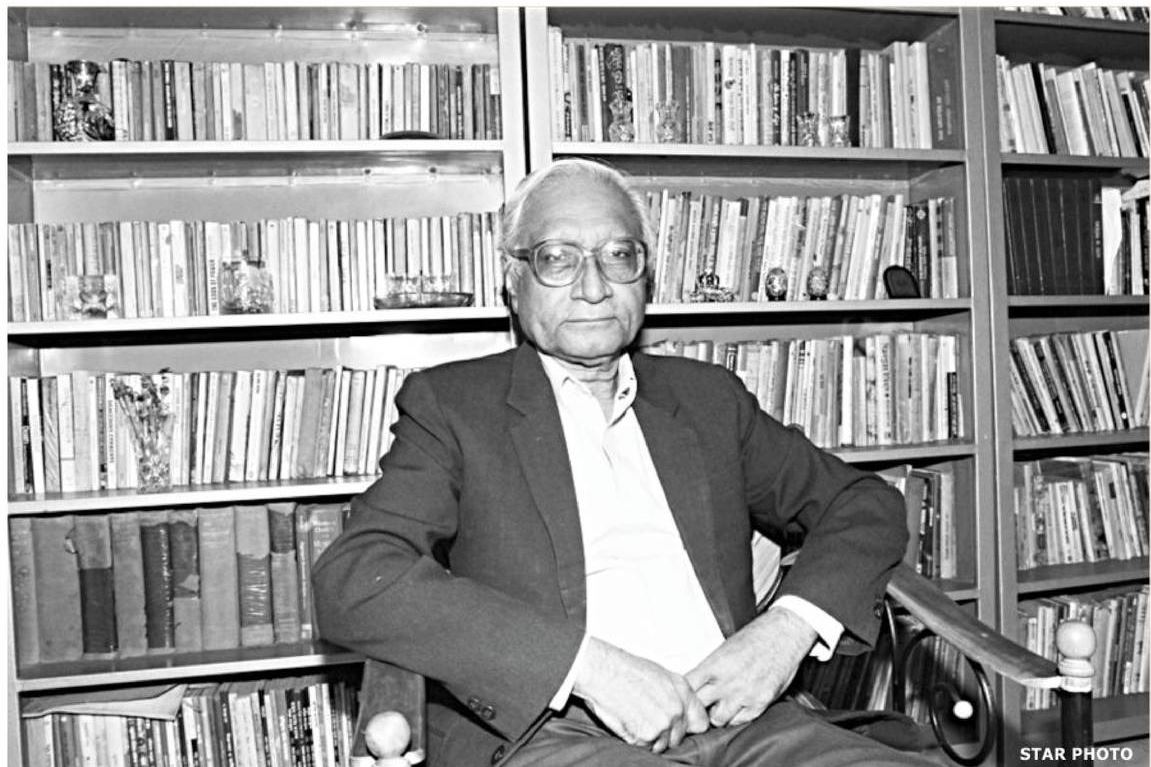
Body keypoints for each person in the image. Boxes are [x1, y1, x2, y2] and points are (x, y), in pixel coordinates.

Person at [313, 159, 934, 766]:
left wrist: (786, 631)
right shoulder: (454, 406)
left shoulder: (707, 400)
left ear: (646, 277)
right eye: (558, 257)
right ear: (513, 280)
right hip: (557, 733)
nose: (594, 287)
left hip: (746, 724)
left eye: (619, 255)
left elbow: (863, 503)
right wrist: (588, 668)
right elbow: (355, 577)